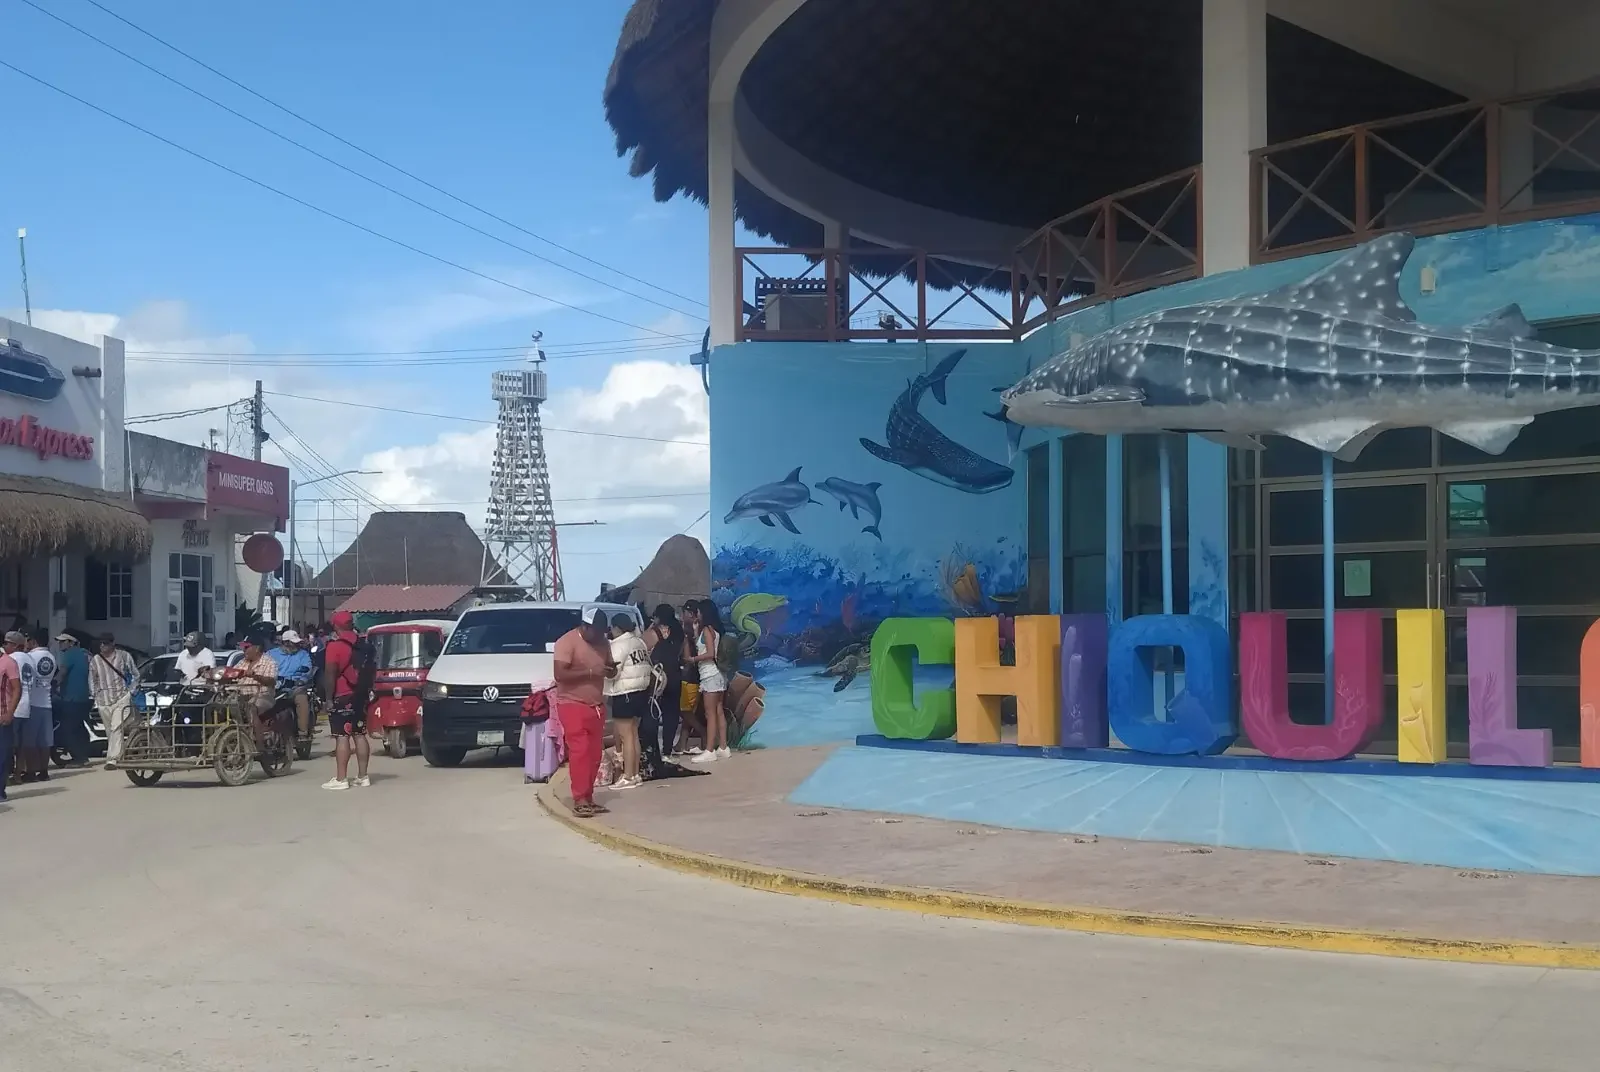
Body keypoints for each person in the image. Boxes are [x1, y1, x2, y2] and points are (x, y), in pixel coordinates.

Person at [552, 607, 616, 817]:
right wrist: (590, 672)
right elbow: (560, 674)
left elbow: (608, 667)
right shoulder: (566, 642)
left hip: (596, 706)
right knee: (580, 752)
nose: (600, 635)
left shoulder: (603, 643)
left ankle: (588, 797)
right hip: (572, 704)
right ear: (584, 626)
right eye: (596, 631)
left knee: (594, 754)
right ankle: (579, 798)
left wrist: (611, 670)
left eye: (602, 631)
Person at [321, 611, 371, 790]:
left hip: (342, 695)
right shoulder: (362, 643)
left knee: (342, 736)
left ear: (336, 626)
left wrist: (328, 699)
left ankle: (341, 779)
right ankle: (363, 776)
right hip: (361, 695)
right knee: (359, 733)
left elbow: (330, 674)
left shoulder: (335, 646)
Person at [605, 614, 653, 790]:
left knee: (626, 737)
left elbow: (613, 672)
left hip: (624, 693)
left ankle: (628, 776)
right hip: (641, 692)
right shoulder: (639, 642)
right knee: (633, 734)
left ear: (617, 627)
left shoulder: (618, 645)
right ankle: (636, 774)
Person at [689, 601, 731, 762]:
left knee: (710, 713)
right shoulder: (714, 630)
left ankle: (709, 750)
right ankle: (723, 747)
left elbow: (710, 654)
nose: (697, 614)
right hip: (718, 675)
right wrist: (694, 631)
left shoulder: (707, 630)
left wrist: (693, 659)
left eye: (698, 612)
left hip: (709, 675)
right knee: (719, 710)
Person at [12, 630, 56, 782]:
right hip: (47, 703)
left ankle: (30, 771)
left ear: (34, 641)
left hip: (32, 703)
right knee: (45, 741)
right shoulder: (51, 657)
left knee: (29, 742)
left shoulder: (29, 657)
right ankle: (44, 771)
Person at [644, 604, 686, 761]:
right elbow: (681, 651)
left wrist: (649, 628)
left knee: (653, 712)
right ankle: (667, 750)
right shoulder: (679, 631)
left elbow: (643, 648)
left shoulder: (654, 632)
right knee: (672, 713)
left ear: (658, 616)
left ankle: (653, 749)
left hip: (658, 676)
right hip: (674, 673)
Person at [89, 633, 137, 767]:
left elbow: (135, 674)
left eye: (105, 643)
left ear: (112, 644)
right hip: (103, 700)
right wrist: (95, 695)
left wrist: (131, 691)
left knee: (116, 727)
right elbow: (92, 680)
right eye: (101, 644)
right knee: (110, 730)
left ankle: (113, 759)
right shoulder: (95, 660)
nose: (102, 646)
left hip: (121, 698)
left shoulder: (124, 656)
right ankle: (118, 755)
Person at [228, 635, 280, 753]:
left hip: (262, 696)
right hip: (241, 696)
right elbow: (232, 674)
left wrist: (255, 676)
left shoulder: (269, 662)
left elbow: (271, 681)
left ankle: (259, 744)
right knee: (219, 705)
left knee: (251, 707)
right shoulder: (242, 662)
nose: (244, 650)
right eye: (243, 648)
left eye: (246, 647)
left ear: (257, 648)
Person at [53, 633, 92, 767]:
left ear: (71, 642)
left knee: (67, 729)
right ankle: (83, 756)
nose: (60, 644)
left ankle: (78, 758)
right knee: (79, 728)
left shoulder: (69, 654)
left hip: (72, 698)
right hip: (85, 698)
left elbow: (62, 673)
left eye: (63, 642)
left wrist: (53, 685)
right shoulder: (86, 654)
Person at [273, 629, 314, 746]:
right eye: (293, 643)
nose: (296, 645)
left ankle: (303, 733)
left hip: (295, 687)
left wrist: (302, 680)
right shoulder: (271, 654)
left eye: (297, 643)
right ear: (285, 643)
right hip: (276, 688)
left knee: (301, 700)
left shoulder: (303, 654)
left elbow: (308, 669)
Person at [1, 632, 27, 792]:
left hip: (3, 715)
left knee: (2, 755)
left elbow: (17, 689)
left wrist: (10, 712)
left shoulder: (8, 663)